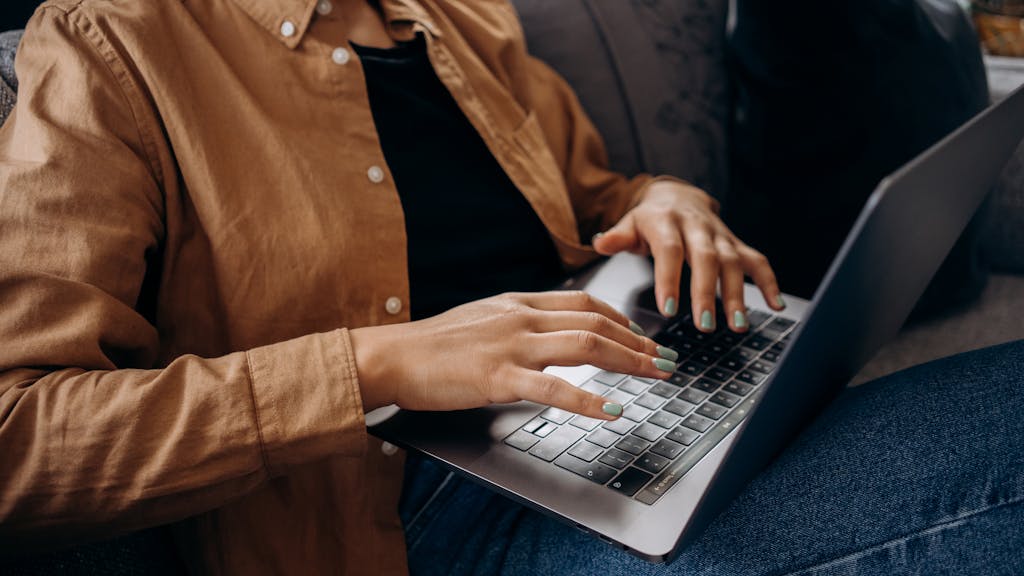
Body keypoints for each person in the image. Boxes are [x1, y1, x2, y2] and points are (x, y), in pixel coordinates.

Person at [0, 0, 1020, 574]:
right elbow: (21, 440)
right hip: (414, 516)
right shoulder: (113, 44)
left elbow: (594, 195)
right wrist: (383, 363)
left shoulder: (461, 23)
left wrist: (670, 202)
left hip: (607, 392)